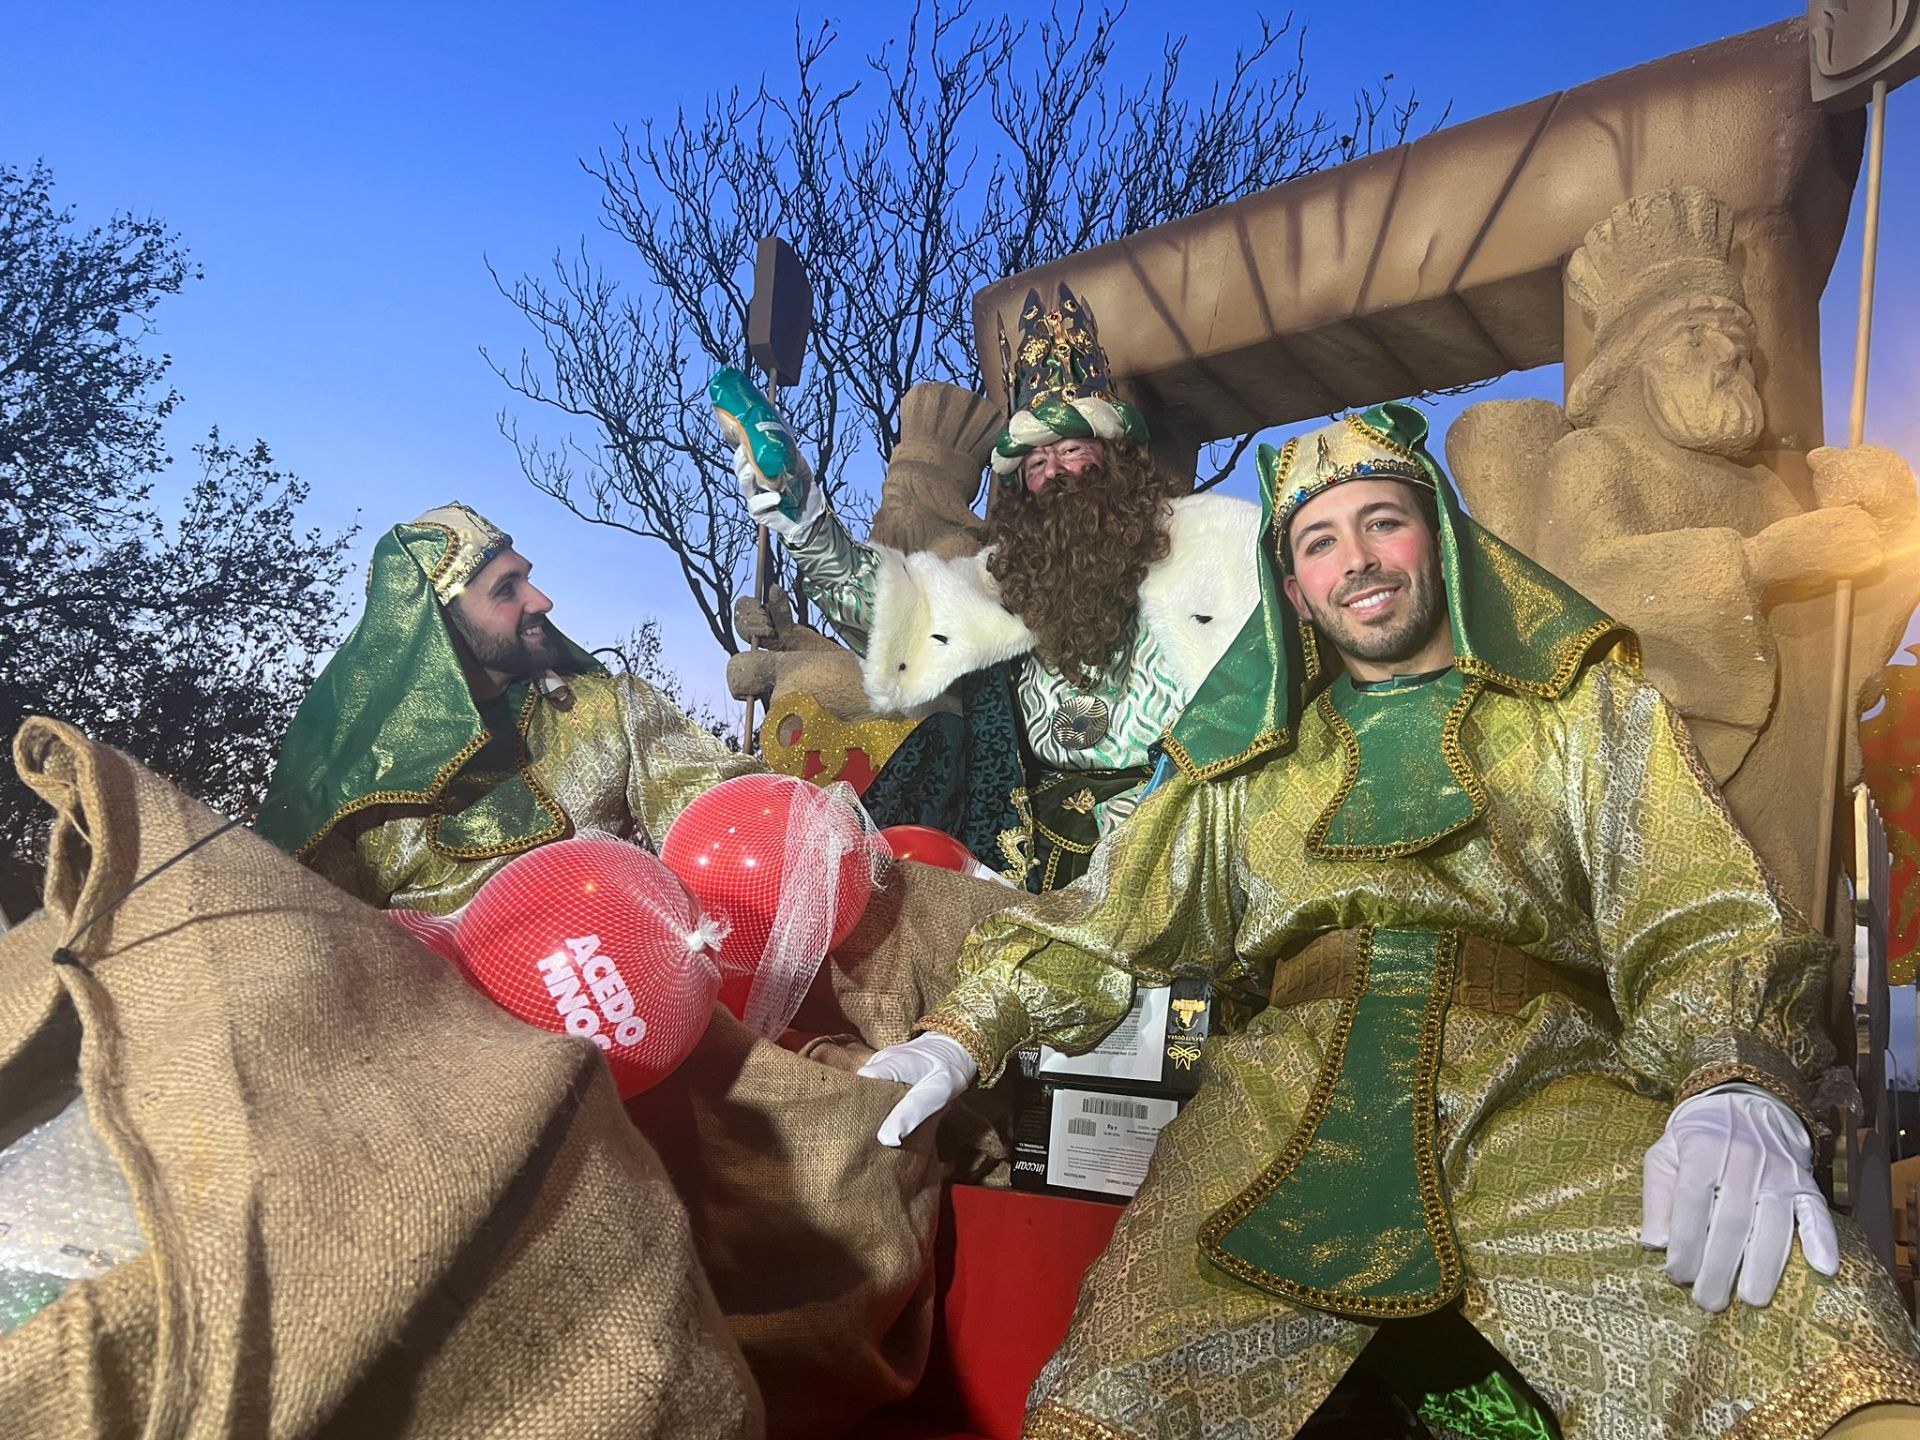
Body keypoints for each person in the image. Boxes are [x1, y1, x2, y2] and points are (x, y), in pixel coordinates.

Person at [859, 404, 1920, 1437]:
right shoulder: (1244, 754)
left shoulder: (1580, 706)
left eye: (1383, 522)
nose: (1357, 559)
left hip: (1549, 1093)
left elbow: (1696, 906)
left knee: (1812, 1332)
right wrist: (957, 1035)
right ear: (1294, 587)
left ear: (1438, 535)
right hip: (1273, 1112)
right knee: (1114, 1393)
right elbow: (1112, 913)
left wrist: (1734, 1073)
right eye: (1321, 541)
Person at [720, 284, 1261, 892]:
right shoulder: (1010, 579)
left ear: (1116, 459)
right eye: (1035, 464)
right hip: (1023, 860)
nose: (1053, 473)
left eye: (1072, 451)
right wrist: (803, 518)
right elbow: (897, 612)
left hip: (1173, 854)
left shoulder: (1209, 552)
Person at [257, 502, 757, 910]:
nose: (541, 601)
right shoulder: (355, 803)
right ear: (437, 626)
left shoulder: (613, 710)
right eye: (506, 591)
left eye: (527, 579)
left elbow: (736, 817)